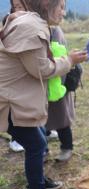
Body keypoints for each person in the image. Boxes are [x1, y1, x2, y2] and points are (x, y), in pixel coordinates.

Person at [0, 0, 88, 189]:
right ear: (47, 5)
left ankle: (37, 181)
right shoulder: (31, 28)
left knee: (39, 140)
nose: (64, 12)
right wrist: (70, 61)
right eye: (61, 7)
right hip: (11, 103)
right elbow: (42, 70)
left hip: (17, 99)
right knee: (37, 144)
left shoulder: (31, 23)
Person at [46, 23, 78, 162]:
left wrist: (60, 84)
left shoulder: (54, 29)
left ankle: (67, 147)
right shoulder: (35, 25)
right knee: (40, 122)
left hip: (57, 82)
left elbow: (60, 56)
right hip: (43, 83)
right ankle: (43, 150)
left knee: (61, 119)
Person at [2, 0, 27, 152]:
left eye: (21, 6)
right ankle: (15, 139)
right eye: (16, 6)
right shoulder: (9, 21)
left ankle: (45, 130)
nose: (19, 10)